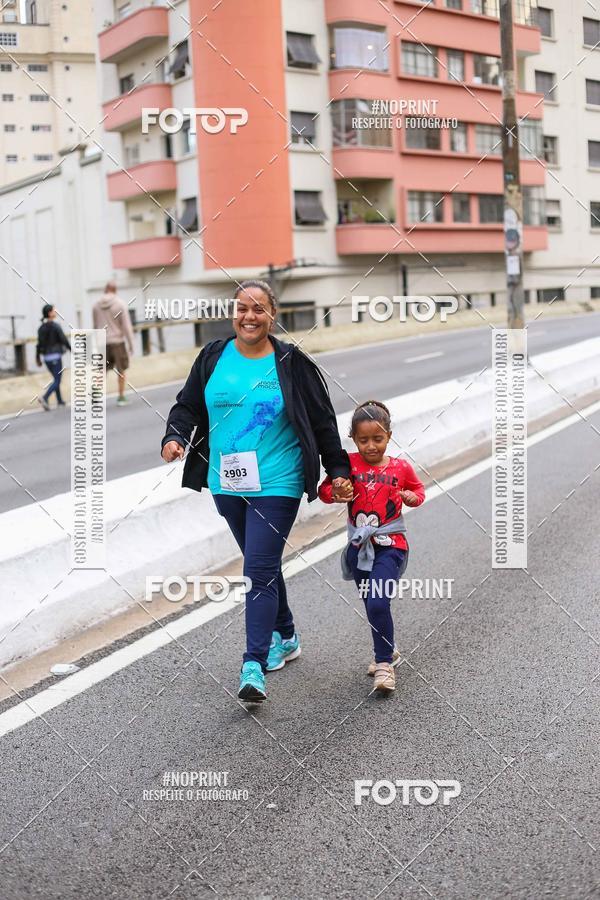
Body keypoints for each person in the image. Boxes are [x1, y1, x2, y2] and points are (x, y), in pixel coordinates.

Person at [161, 279, 352, 703]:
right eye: (242, 308)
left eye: (259, 308)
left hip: (277, 481)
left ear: (273, 314)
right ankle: (286, 634)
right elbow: (187, 405)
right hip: (226, 481)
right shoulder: (213, 356)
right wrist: (174, 436)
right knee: (261, 564)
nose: (250, 316)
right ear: (233, 313)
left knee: (257, 569)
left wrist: (337, 468)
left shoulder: (291, 362)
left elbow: (321, 420)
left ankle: (253, 663)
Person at [318, 400, 425, 694]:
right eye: (363, 440)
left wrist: (412, 498)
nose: (371, 446)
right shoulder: (349, 465)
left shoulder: (401, 467)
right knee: (372, 604)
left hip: (391, 545)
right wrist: (337, 492)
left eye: (377, 439)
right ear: (353, 438)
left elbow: (419, 490)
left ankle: (383, 666)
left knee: (377, 601)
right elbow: (324, 491)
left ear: (389, 436)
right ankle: (388, 648)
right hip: (358, 547)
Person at [92, 281, 135, 406]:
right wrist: (131, 344)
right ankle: (121, 397)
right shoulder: (120, 304)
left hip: (102, 342)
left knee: (101, 370)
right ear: (115, 290)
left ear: (105, 290)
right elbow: (126, 326)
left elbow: (95, 326)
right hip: (117, 342)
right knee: (121, 370)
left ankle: (96, 393)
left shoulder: (95, 305)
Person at [36, 303, 71, 410]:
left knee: (56, 379)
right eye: (53, 310)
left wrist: (37, 358)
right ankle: (45, 397)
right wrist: (71, 350)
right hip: (55, 357)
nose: (55, 312)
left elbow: (39, 344)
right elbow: (63, 340)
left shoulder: (41, 328)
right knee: (57, 380)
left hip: (46, 359)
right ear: (49, 313)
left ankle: (60, 401)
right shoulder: (56, 326)